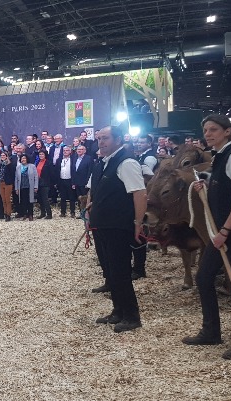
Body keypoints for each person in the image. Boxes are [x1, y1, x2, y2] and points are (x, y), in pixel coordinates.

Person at [180, 115, 231, 361]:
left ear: (227, 131)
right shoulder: (219, 156)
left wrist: (225, 230)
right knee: (203, 278)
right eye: (205, 130)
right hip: (220, 232)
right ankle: (211, 331)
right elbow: (223, 187)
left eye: (213, 129)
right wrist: (206, 184)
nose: (208, 134)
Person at [87, 125, 147, 333]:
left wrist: (138, 223)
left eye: (105, 138)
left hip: (118, 226)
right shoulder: (103, 163)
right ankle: (118, 311)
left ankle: (131, 316)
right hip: (103, 225)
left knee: (121, 271)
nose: (101, 142)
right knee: (111, 271)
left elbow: (139, 194)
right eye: (99, 138)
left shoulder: (127, 163)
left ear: (119, 139)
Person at [15, 154, 38, 221]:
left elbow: (36, 177)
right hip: (21, 186)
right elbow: (16, 178)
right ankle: (25, 214)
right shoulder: (18, 167)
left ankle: (30, 215)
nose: (23, 159)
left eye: (24, 158)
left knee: (30, 201)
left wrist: (36, 186)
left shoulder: (32, 166)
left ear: (27, 159)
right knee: (23, 201)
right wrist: (16, 188)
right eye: (22, 158)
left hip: (30, 186)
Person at [72, 145, 93, 215]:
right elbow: (73, 171)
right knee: (79, 199)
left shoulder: (89, 158)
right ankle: (81, 213)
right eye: (78, 149)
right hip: (77, 182)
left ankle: (86, 213)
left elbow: (90, 171)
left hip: (84, 182)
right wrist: (73, 182)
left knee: (85, 199)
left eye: (81, 149)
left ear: (85, 151)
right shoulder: (74, 158)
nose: (79, 150)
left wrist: (87, 183)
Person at [57, 145, 76, 217]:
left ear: (70, 151)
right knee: (63, 197)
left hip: (70, 180)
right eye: (64, 151)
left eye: (67, 150)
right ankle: (63, 212)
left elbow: (74, 171)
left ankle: (72, 212)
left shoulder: (73, 159)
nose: (65, 152)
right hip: (62, 180)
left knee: (72, 197)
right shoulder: (59, 160)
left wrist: (74, 182)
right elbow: (57, 170)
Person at [0, 151, 15, 221]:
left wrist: (11, 183)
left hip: (7, 183)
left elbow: (12, 174)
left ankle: (8, 214)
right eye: (1, 155)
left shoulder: (9, 164)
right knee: (3, 200)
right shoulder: (0, 164)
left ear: (6, 156)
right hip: (1, 182)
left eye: (4, 155)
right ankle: (5, 213)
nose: (2, 156)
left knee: (7, 199)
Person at [35, 150, 52, 219]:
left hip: (45, 183)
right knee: (40, 199)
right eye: (40, 154)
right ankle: (43, 213)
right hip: (38, 183)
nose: (41, 155)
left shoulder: (48, 163)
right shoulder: (37, 162)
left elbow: (51, 174)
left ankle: (49, 214)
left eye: (42, 154)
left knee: (45, 199)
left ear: (45, 155)